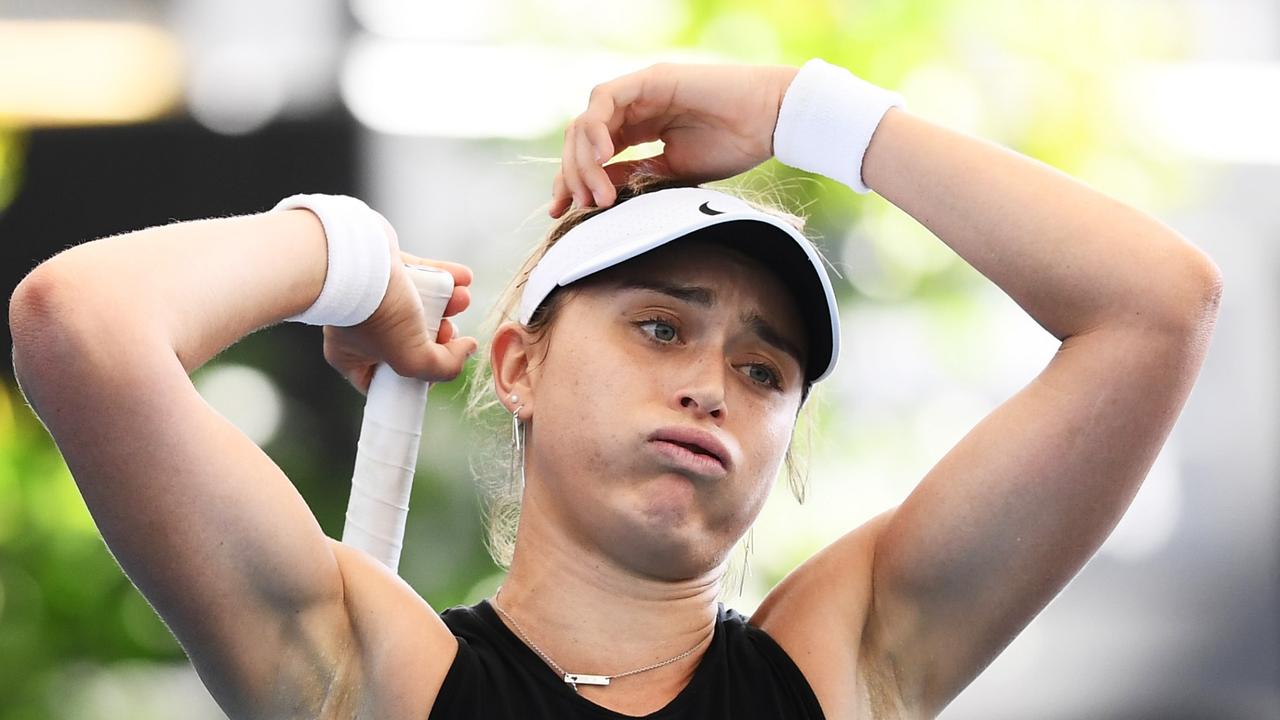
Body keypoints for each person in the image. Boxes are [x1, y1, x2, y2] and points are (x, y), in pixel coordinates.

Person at [7, 57, 1222, 719]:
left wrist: (803, 108)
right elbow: (80, 325)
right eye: (657, 327)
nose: (710, 388)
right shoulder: (371, 675)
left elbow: (1156, 307)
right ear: (518, 363)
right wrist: (351, 259)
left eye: (762, 369)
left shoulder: (850, 662)